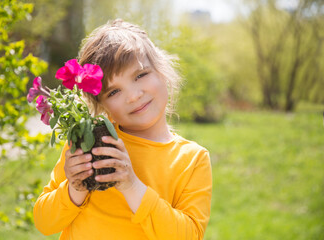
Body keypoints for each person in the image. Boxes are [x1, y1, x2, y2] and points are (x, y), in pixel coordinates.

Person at [33, 19, 212, 240]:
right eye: (113, 92)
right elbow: (44, 222)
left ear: (162, 70)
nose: (133, 96)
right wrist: (75, 189)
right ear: (101, 105)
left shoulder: (192, 160)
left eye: (140, 75)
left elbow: (189, 236)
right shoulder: (87, 144)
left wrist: (131, 186)